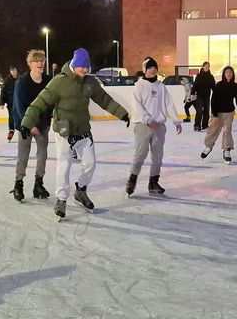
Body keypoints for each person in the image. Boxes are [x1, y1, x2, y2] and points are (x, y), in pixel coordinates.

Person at [20, 47, 130, 221]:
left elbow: (104, 99)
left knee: (91, 164)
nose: (85, 70)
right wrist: (27, 123)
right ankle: (61, 199)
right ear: (74, 64)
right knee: (64, 165)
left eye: (88, 67)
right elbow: (39, 102)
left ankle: (80, 190)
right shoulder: (59, 82)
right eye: (82, 67)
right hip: (64, 130)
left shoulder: (90, 82)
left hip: (83, 130)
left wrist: (122, 113)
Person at [126, 57, 182, 197]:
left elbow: (169, 104)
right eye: (150, 68)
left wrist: (176, 120)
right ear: (145, 70)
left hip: (159, 127)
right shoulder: (139, 85)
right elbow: (136, 106)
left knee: (157, 157)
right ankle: (132, 180)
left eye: (154, 68)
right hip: (143, 126)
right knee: (140, 154)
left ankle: (153, 182)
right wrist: (148, 119)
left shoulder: (161, 87)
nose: (153, 70)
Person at [11, 49, 52, 201]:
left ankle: (38, 184)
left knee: (42, 155)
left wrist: (47, 121)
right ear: (30, 64)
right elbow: (19, 105)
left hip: (42, 125)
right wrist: (28, 124)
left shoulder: (48, 80)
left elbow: (52, 101)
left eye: (42, 60)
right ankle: (18, 184)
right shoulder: (22, 81)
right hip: (25, 124)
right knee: (23, 155)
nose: (40, 63)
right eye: (37, 61)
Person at [201, 66, 237, 163]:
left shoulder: (235, 86)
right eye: (227, 72)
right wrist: (215, 115)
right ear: (224, 74)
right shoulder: (219, 85)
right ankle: (209, 146)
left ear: (233, 74)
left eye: (230, 72)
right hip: (217, 112)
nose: (229, 74)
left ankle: (227, 149)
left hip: (229, 112)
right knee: (213, 131)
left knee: (227, 130)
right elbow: (213, 100)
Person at [192, 62, 216, 131]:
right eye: (206, 66)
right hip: (200, 96)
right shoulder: (199, 76)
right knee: (199, 111)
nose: (207, 67)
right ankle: (197, 125)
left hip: (207, 96)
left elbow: (213, 86)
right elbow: (195, 85)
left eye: (208, 66)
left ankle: (205, 125)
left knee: (206, 111)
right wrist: (192, 93)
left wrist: (216, 93)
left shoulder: (211, 76)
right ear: (203, 67)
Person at [0, 66, 19, 141]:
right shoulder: (7, 80)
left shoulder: (21, 79)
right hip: (11, 103)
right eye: (11, 70)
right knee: (11, 117)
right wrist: (2, 102)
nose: (13, 72)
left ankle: (25, 131)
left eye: (14, 70)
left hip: (20, 102)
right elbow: (3, 92)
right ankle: (11, 131)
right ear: (10, 71)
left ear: (16, 70)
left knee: (22, 116)